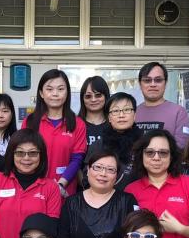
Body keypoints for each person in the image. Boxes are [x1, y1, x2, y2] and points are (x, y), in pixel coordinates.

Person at [23, 69, 87, 197]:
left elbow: (77, 159)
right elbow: (24, 157)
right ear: (41, 93)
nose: (55, 94)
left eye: (60, 89)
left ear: (67, 92)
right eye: (49, 89)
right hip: (34, 189)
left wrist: (61, 184)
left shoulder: (78, 124)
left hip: (64, 191)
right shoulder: (30, 122)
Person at [133, 61, 189, 149]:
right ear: (140, 84)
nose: (153, 84)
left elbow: (181, 145)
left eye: (158, 80)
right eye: (147, 80)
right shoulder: (132, 113)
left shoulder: (179, 112)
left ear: (165, 83)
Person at [99, 92, 143, 191]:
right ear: (109, 118)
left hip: (139, 196)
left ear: (134, 115)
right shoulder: (99, 145)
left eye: (127, 110)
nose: (121, 115)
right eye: (115, 111)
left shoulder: (145, 144)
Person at [78, 76, 110, 149]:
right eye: (88, 96)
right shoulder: (74, 124)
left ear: (106, 96)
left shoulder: (114, 124)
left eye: (98, 95)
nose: (93, 100)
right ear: (82, 99)